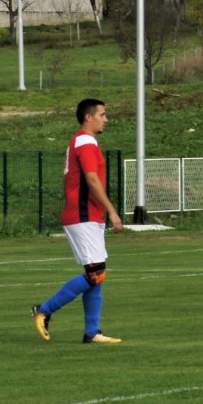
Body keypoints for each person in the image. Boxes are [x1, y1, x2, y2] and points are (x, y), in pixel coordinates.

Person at [32, 99, 125, 344]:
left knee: (96, 272)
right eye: (102, 114)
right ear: (88, 117)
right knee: (95, 274)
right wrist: (112, 211)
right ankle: (44, 310)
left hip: (88, 215)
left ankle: (92, 332)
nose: (106, 119)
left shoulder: (85, 142)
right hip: (82, 214)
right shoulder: (84, 141)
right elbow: (92, 180)